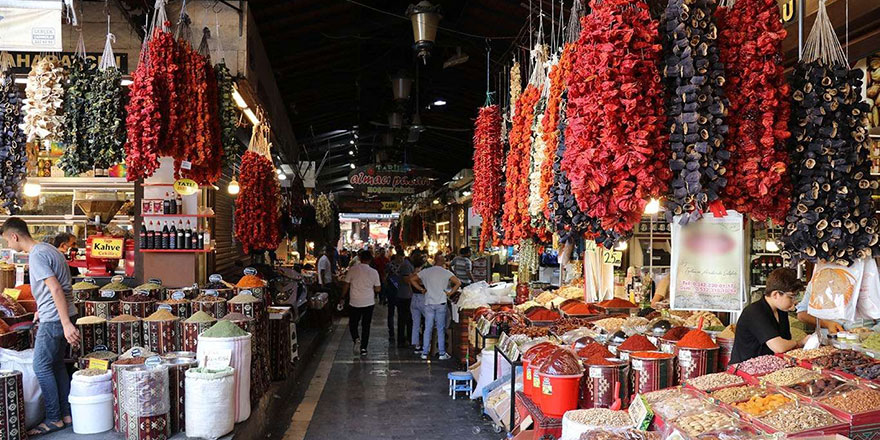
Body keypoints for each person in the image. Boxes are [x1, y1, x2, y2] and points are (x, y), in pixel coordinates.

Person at [1, 218, 80, 436]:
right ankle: (65, 414)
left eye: (7, 241)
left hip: (55, 319)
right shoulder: (50, 250)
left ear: (14, 236)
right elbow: (58, 287)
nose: (9, 246)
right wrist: (42, 309)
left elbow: (55, 288)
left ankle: (54, 418)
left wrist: (64, 323)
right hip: (61, 314)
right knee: (55, 365)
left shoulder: (36, 255)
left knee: (41, 366)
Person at [730, 268, 808, 364]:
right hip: (744, 369)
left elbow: (786, 342)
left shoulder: (781, 311)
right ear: (775, 294)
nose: (794, 301)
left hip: (768, 366)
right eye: (791, 297)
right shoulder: (754, 312)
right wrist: (800, 343)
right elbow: (779, 347)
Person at [412, 253, 461, 360]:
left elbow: (412, 279)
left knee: (428, 328)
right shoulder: (446, 272)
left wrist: (421, 289)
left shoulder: (426, 271)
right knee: (440, 328)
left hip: (428, 303)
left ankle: (425, 352)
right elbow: (458, 282)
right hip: (441, 303)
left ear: (434, 260)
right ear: (443, 262)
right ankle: (442, 353)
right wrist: (450, 293)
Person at [342, 250, 380, 356]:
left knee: (353, 323)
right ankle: (364, 348)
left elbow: (346, 285)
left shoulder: (353, 270)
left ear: (360, 258)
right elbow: (378, 289)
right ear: (370, 259)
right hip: (368, 302)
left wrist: (342, 297)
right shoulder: (374, 272)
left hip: (354, 301)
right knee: (366, 325)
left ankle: (356, 339)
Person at [387, 248, 415, 347]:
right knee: (404, 317)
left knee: (404, 317)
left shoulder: (405, 265)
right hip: (400, 293)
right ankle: (401, 338)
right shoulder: (406, 266)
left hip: (401, 293)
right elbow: (406, 279)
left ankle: (404, 338)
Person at [408, 249, 427, 352]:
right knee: (428, 322)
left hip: (413, 299)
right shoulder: (422, 274)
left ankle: (416, 345)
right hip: (422, 299)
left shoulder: (411, 274)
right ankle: (426, 344)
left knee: (415, 323)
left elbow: (410, 287)